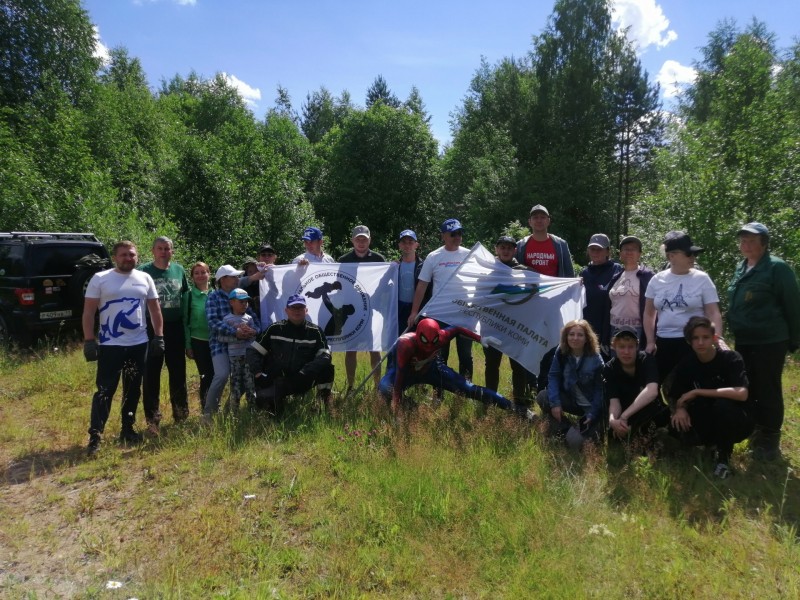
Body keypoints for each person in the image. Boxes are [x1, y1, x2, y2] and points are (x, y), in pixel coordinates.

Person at [82, 241, 164, 456]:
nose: (128, 258)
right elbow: (89, 312)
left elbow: (155, 311)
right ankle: (95, 436)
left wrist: (159, 337)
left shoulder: (145, 278)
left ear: (137, 257)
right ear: (115, 257)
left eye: (132, 254)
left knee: (133, 389)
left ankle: (127, 429)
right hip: (110, 346)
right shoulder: (101, 279)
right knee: (104, 391)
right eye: (123, 255)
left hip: (138, 345)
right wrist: (89, 340)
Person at [727, 222, 800, 461]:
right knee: (750, 386)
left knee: (767, 387)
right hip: (745, 340)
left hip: (770, 340)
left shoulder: (777, 268)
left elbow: (793, 305)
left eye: (751, 240)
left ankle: (769, 440)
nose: (745, 244)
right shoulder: (742, 267)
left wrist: (794, 341)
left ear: (764, 243)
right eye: (743, 240)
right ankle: (756, 430)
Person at [379, 318, 522, 415]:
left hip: (431, 369)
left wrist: (480, 338)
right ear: (418, 337)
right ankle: (411, 407)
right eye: (425, 343)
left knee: (468, 388)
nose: (429, 347)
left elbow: (458, 329)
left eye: (433, 343)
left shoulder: (442, 336)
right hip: (406, 372)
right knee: (385, 388)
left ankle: (517, 410)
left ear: (438, 337)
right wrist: (397, 407)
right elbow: (399, 378)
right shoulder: (405, 344)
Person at [668, 316, 752, 479]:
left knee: (722, 406)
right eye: (695, 338)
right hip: (704, 417)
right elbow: (678, 395)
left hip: (737, 419)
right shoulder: (687, 364)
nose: (700, 342)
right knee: (675, 424)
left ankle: (723, 460)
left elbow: (742, 393)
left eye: (705, 337)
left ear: (714, 338)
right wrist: (680, 409)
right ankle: (708, 447)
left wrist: (698, 392)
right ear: (689, 342)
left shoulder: (731, 358)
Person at [643, 231, 724, 385]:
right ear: (671, 256)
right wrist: (650, 341)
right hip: (664, 342)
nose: (693, 257)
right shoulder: (656, 280)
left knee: (692, 385)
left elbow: (713, 312)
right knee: (657, 385)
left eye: (694, 254)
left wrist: (716, 338)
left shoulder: (702, 279)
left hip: (693, 342)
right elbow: (648, 313)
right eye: (688, 254)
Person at [247, 294, 334, 415]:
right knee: (265, 405)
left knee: (327, 368)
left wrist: (306, 371)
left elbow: (325, 356)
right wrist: (258, 373)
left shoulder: (315, 331)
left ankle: (323, 402)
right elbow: (253, 351)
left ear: (306, 310)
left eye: (300, 308)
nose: (297, 311)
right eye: (293, 308)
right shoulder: (274, 329)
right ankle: (277, 402)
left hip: (304, 378)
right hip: (280, 379)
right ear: (286, 310)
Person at [408, 218, 473, 380]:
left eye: (459, 233)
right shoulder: (434, 256)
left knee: (465, 355)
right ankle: (439, 391)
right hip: (441, 315)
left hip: (464, 314)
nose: (457, 237)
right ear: (443, 236)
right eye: (453, 234)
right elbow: (422, 286)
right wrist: (414, 311)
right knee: (440, 354)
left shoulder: (470, 254)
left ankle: (467, 391)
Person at [138, 236, 189, 432]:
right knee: (151, 373)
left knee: (178, 372)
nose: (163, 252)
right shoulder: (143, 271)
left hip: (175, 327)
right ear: (153, 251)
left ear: (172, 251)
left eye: (167, 249)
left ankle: (181, 414)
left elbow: (184, 296)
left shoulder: (179, 270)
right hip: (150, 329)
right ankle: (153, 419)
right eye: (160, 248)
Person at [537, 319, 605, 450]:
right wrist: (555, 403)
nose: (575, 338)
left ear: (587, 338)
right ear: (566, 336)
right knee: (543, 396)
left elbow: (600, 390)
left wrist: (592, 413)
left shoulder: (596, 359)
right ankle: (566, 428)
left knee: (582, 446)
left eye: (580, 335)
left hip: (590, 406)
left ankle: (575, 431)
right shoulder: (561, 352)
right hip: (570, 400)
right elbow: (553, 376)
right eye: (571, 334)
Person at [204, 265, 260, 418]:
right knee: (222, 375)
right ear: (223, 280)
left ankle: (231, 409)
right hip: (220, 343)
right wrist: (235, 332)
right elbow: (213, 322)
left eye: (237, 276)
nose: (237, 279)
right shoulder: (213, 297)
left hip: (242, 344)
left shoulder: (241, 295)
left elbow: (253, 318)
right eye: (234, 277)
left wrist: (255, 331)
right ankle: (209, 414)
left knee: (243, 375)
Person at [483, 235, 531, 406]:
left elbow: (533, 296)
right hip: (492, 326)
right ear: (496, 249)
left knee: (518, 366)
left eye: (509, 248)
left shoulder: (524, 271)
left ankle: (520, 403)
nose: (505, 251)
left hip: (515, 327)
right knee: (492, 365)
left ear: (515, 250)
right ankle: (490, 400)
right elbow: (479, 297)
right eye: (502, 247)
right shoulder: (487, 271)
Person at [339, 225, 386, 390]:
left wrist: (394, 267)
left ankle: (378, 386)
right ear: (352, 240)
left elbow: (385, 283)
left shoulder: (380, 259)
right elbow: (340, 284)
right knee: (350, 350)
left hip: (372, 310)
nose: (361, 242)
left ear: (369, 240)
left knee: (375, 348)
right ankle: (351, 386)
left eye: (364, 239)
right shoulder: (343, 260)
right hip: (351, 311)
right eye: (358, 239)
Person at [605, 327, 668, 441]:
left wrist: (624, 417)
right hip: (625, 411)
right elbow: (614, 401)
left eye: (630, 347)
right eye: (621, 347)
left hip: (647, 409)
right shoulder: (610, 368)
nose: (626, 352)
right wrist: (613, 420)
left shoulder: (647, 360)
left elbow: (652, 391)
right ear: (614, 347)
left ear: (637, 347)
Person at [608, 235, 655, 349]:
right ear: (620, 253)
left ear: (639, 254)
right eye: (625, 249)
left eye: (633, 249)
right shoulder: (615, 277)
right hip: (615, 329)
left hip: (637, 330)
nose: (629, 252)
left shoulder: (647, 276)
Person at [579, 233, 622, 355]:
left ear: (608, 252)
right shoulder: (584, 274)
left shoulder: (617, 270)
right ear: (588, 251)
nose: (596, 252)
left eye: (600, 249)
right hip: (588, 330)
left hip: (610, 329)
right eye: (593, 249)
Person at [218, 288, 258, 413]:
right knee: (235, 384)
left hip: (247, 356)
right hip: (234, 357)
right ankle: (234, 412)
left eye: (246, 302)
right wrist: (236, 336)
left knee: (250, 383)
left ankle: (252, 409)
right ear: (231, 303)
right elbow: (220, 337)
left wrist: (251, 333)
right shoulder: (227, 320)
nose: (244, 304)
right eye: (241, 302)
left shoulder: (249, 318)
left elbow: (255, 336)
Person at [182, 261, 214, 411]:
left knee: (218, 375)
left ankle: (216, 404)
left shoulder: (216, 294)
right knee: (206, 375)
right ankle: (206, 408)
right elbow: (185, 322)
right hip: (198, 341)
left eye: (203, 272)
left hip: (217, 341)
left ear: (209, 274)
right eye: (197, 273)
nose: (200, 275)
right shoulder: (188, 296)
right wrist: (188, 345)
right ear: (192, 277)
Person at [514, 204, 575, 277]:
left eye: (543, 217)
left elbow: (569, 275)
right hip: (529, 288)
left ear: (548, 221)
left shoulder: (561, 245)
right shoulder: (520, 246)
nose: (539, 220)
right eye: (535, 218)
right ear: (530, 222)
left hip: (555, 288)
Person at [395, 229, 424, 338]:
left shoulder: (424, 266)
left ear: (416, 245)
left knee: (416, 342)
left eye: (410, 242)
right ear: (399, 245)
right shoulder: (395, 266)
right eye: (404, 242)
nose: (407, 245)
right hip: (399, 308)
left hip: (417, 309)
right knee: (399, 341)